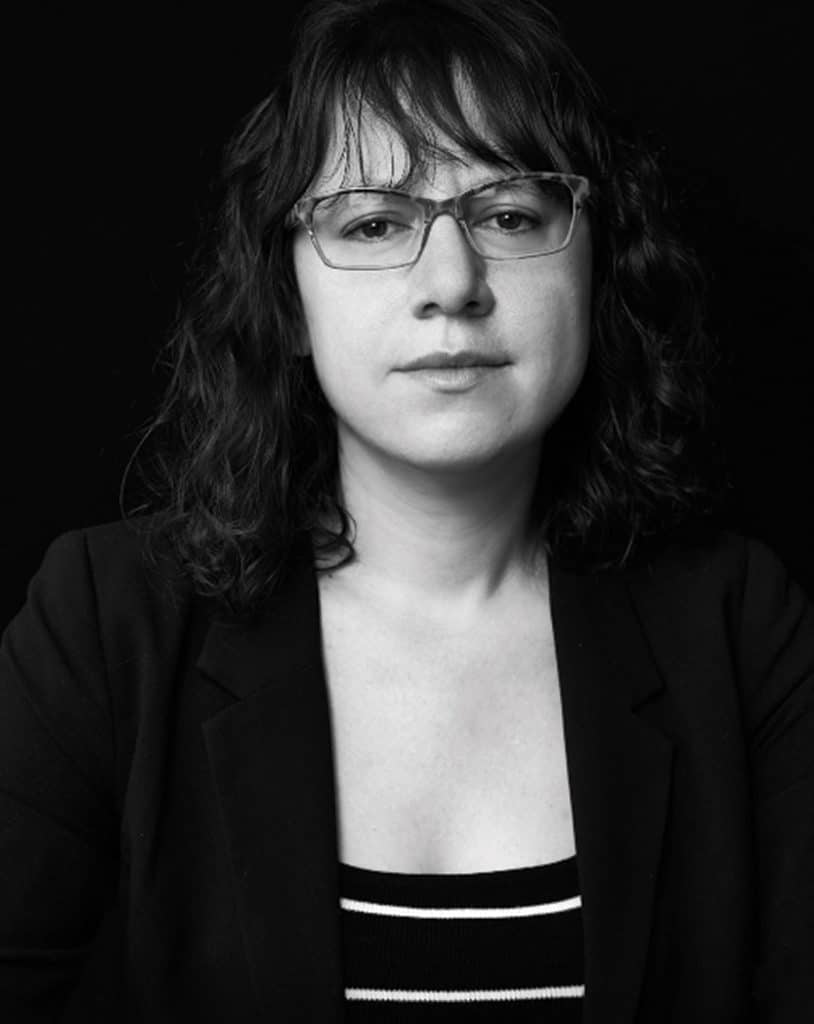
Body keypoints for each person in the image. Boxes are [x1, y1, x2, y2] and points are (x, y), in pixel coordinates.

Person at [1, 0, 812, 1019]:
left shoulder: (740, 626)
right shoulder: (103, 623)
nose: (451, 283)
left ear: (594, 265)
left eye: (510, 214)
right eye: (375, 222)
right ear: (287, 301)